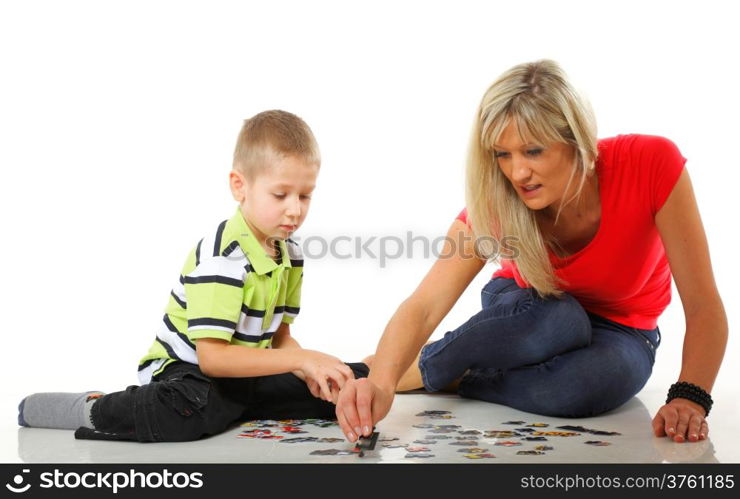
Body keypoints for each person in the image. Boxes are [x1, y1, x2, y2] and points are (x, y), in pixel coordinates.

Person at [336, 60, 727, 445]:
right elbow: (425, 303)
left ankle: (463, 374)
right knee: (559, 320)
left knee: (593, 382)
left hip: (623, 329)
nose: (517, 173)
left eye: (533, 151)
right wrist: (382, 381)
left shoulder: (652, 164)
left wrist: (690, 396)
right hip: (529, 311)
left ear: (576, 140)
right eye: (502, 154)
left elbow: (704, 305)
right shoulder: (498, 203)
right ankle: (425, 367)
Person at [18, 110, 367, 442]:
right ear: (239, 186)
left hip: (242, 373)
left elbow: (280, 339)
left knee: (346, 382)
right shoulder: (224, 258)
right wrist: (300, 360)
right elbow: (212, 358)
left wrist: (310, 370)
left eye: (305, 195)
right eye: (280, 195)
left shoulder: (288, 252)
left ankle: (240, 406)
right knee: (193, 406)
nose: (295, 209)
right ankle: (94, 408)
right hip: (187, 372)